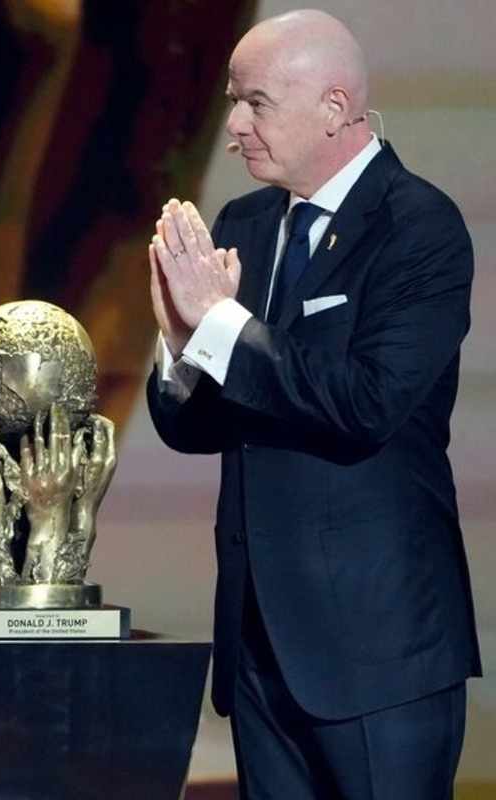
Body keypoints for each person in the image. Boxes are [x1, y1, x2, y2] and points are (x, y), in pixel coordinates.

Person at [146, 9, 481, 799]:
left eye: (255, 102)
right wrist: (178, 342)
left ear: (334, 107)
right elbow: (198, 429)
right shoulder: (244, 224)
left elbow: (366, 403)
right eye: (232, 101)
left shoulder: (417, 226)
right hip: (258, 646)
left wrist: (219, 324)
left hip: (376, 649)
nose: (234, 126)